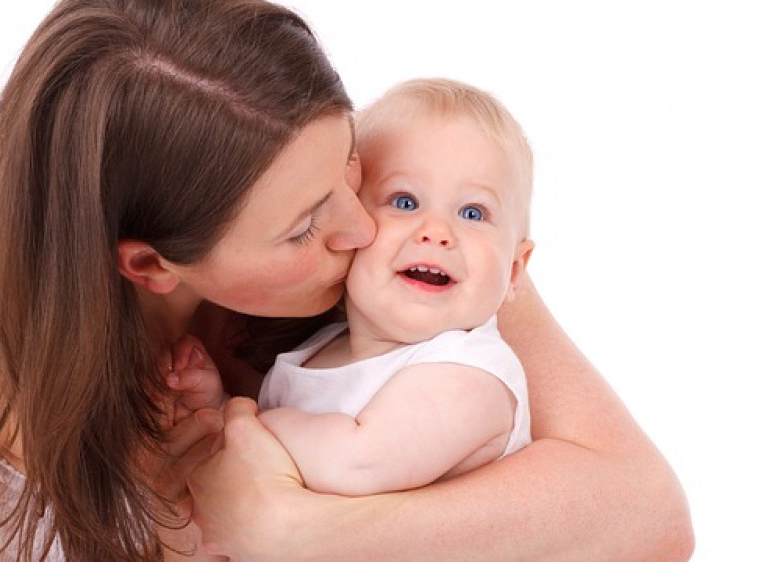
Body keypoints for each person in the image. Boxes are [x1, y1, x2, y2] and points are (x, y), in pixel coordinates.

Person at [0, 1, 694, 561]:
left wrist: (302, 530)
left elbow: (650, 514)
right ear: (150, 264)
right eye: (303, 226)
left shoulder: (419, 233)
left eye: (349, 158)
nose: (363, 225)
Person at [189, 78, 537, 496]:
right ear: (352, 223)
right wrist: (211, 410)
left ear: (514, 271)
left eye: (473, 212)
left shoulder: (468, 375)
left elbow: (354, 463)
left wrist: (236, 421)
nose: (437, 232)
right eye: (405, 202)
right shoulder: (321, 347)